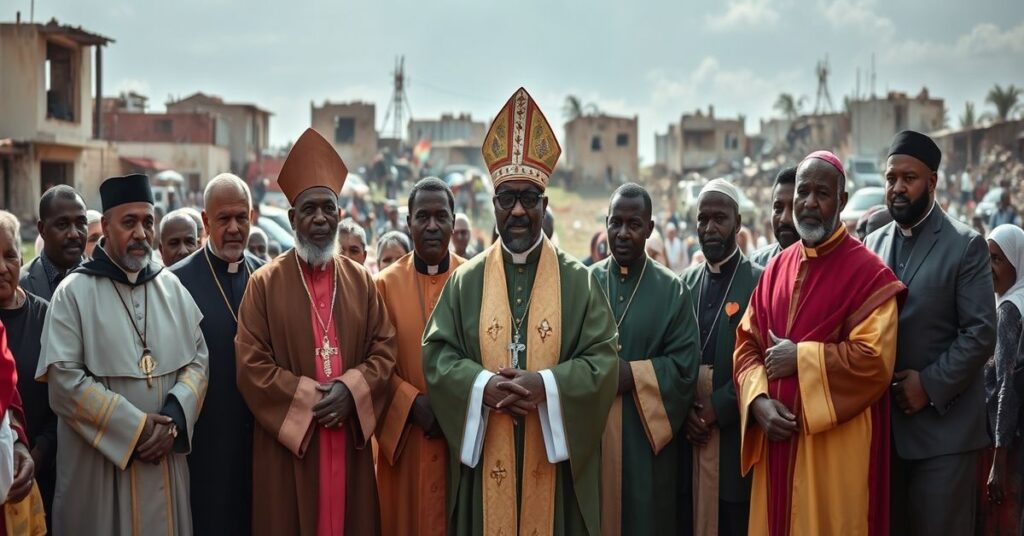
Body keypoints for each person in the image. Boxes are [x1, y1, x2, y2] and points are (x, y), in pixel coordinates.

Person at [423, 88, 618, 535]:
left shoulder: (578, 282)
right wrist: (481, 387)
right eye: (506, 198)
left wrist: (545, 387)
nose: (517, 210)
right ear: (492, 205)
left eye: (529, 198)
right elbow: (437, 354)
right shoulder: (465, 281)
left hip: (551, 469)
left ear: (544, 207)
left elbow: (602, 362)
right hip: (488, 447)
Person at [235, 128, 397, 535]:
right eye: (310, 209)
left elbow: (384, 351)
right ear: (292, 218)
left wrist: (351, 390)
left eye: (329, 208)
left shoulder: (361, 281)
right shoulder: (264, 284)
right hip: (292, 448)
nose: (321, 218)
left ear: (341, 214)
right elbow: (251, 365)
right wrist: (311, 400)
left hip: (348, 439)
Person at [734, 151, 905, 535]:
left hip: (834, 454)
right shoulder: (776, 268)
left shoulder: (870, 276)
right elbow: (746, 343)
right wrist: (758, 402)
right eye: (803, 192)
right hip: (776, 444)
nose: (810, 203)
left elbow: (874, 362)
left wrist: (802, 359)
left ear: (841, 202)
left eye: (822, 194)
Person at [37, 173, 209, 535]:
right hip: (102, 474)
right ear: (107, 227)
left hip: (166, 463)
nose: (141, 233)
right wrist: (137, 428)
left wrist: (176, 415)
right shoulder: (73, 294)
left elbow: (198, 359)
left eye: (148, 222)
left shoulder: (171, 287)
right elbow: (65, 383)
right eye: (129, 222)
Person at [864, 131, 996, 535]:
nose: (898, 188)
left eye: (909, 178)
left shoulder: (964, 244)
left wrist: (929, 385)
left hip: (944, 434)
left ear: (933, 182)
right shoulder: (870, 244)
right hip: (883, 437)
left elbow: (980, 333)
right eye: (891, 179)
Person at [590, 183, 699, 535]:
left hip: (647, 441)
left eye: (634, 224)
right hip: (592, 439)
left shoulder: (672, 289)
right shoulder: (584, 283)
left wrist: (634, 376)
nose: (623, 233)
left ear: (649, 229)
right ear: (605, 224)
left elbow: (685, 367)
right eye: (615, 223)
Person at [171, 173, 265, 535]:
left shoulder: (265, 276)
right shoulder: (176, 282)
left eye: (242, 217)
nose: (234, 228)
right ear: (206, 222)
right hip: (206, 447)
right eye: (223, 219)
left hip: (259, 444)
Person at [375, 178, 466, 536]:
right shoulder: (383, 285)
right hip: (405, 440)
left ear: (453, 221)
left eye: (440, 216)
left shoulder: (474, 279)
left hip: (458, 439)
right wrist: (411, 405)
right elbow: (372, 361)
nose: (431, 226)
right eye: (422, 216)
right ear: (408, 222)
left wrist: (453, 406)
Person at [680, 179, 763, 536]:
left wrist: (720, 406)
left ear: (738, 222)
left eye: (720, 218)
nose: (710, 228)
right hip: (688, 431)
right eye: (703, 219)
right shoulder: (683, 283)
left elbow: (763, 361)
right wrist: (685, 409)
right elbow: (671, 357)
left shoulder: (760, 282)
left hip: (734, 434)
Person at [0, 210, 52, 530]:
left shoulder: (46, 317)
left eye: (9, 255)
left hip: (43, 468)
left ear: (23, 257)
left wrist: (34, 453)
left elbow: (63, 400)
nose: (1, 268)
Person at [978, 224, 1024, 535]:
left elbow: (1007, 385)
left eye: (997, 259)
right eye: (986, 258)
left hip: (1009, 444)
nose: (989, 268)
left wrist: (998, 458)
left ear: (1016, 262)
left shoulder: (1009, 309)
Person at [20, 185, 87, 301]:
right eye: (62, 224)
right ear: (42, 229)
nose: (74, 234)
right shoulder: (21, 285)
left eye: (80, 223)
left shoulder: (102, 280)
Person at [751, 166, 797, 267]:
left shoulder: (823, 265)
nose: (785, 218)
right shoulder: (757, 263)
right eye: (778, 208)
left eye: (793, 208)